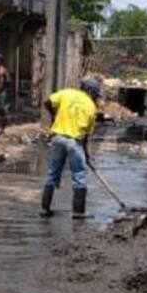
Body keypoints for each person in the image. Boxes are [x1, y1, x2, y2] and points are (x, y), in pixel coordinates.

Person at [41, 78, 101, 219]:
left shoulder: (66, 93)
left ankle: (45, 209)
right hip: (75, 142)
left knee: (52, 173)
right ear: (91, 92)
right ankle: (78, 213)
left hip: (58, 139)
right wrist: (86, 155)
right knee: (79, 175)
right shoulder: (91, 107)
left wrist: (54, 116)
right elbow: (86, 136)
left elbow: (47, 102)